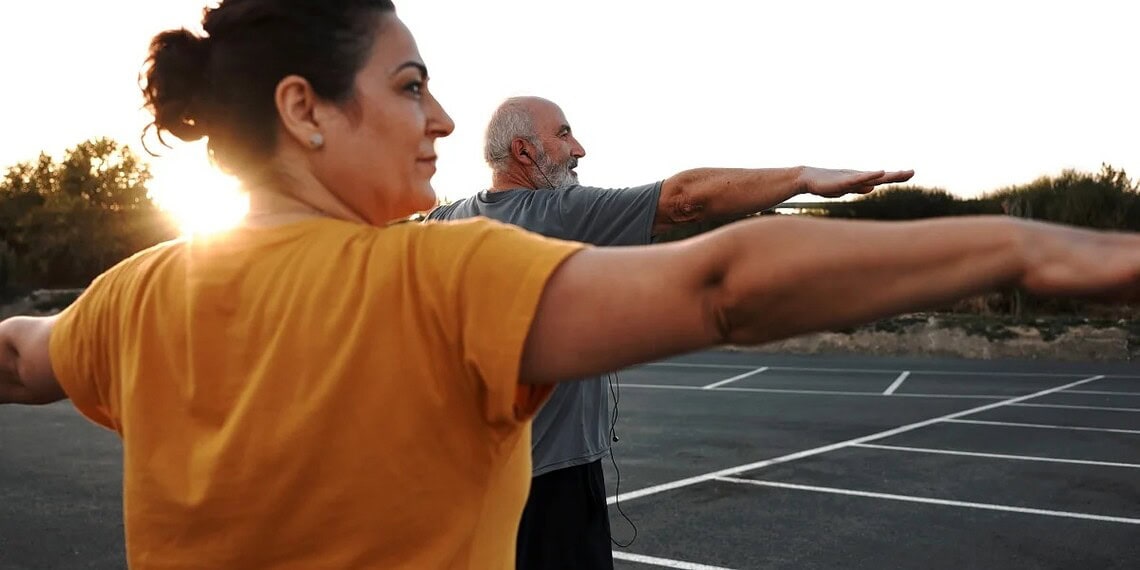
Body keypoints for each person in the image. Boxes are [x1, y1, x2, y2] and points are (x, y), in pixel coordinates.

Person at [1, 1, 1139, 569]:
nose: (440, 119)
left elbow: (14, 355)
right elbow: (724, 287)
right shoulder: (440, 274)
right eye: (408, 87)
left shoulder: (131, 298)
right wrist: (1033, 248)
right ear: (305, 110)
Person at [427, 95, 915, 569]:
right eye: (564, 134)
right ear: (524, 152)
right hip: (554, 480)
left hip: (472, 478)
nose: (579, 149)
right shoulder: (557, 214)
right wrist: (801, 177)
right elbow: (685, 200)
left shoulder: (442, 224)